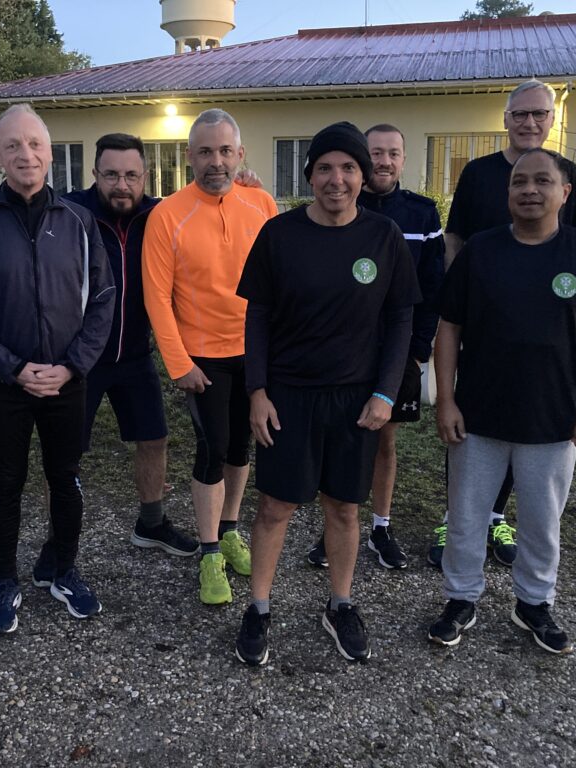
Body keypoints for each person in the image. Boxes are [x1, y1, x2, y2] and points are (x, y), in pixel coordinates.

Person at [427, 148, 576, 654]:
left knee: (542, 521)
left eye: (543, 181)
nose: (529, 190)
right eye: (519, 181)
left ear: (566, 192)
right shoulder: (481, 250)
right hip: (478, 415)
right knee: (467, 516)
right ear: (508, 192)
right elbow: (448, 328)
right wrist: (445, 400)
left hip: (553, 419)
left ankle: (534, 603)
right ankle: (460, 597)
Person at [0, 133, 199, 559]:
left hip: (135, 354)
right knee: (65, 458)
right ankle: (58, 539)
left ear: (145, 176)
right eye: (110, 175)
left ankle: (152, 522)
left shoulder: (160, 215)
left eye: (130, 175)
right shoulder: (70, 212)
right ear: (95, 174)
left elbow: (208, 201)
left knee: (154, 439)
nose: (121, 184)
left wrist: (246, 181)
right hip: (79, 359)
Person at [233, 122, 421, 665]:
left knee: (343, 508)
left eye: (348, 168)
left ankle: (340, 604)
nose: (336, 179)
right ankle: (260, 608)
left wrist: (386, 394)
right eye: (325, 168)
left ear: (363, 176)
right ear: (310, 174)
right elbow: (258, 317)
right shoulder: (279, 234)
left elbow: (400, 320)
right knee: (275, 507)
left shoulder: (383, 237)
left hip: (356, 399)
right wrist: (257, 391)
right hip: (288, 395)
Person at [0, 104, 115, 633]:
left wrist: (71, 367)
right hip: (6, 385)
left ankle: (63, 568)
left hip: (68, 381)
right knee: (7, 483)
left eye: (35, 144)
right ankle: (5, 579)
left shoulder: (79, 220)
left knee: (65, 479)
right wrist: (13, 367)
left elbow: (104, 299)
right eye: (13, 146)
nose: (26, 154)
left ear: (50, 153)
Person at [429, 78, 576, 570]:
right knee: (467, 422)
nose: (529, 122)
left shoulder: (567, 173)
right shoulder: (478, 173)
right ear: (506, 119)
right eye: (520, 114)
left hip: (541, 323)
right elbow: (454, 238)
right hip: (481, 314)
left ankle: (497, 514)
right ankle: (455, 515)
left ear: (552, 120)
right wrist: (456, 300)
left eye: (539, 114)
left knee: (527, 419)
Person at [142, 109, 278, 605]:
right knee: (212, 447)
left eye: (225, 151)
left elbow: (280, 280)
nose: (215, 162)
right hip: (202, 358)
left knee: (242, 447)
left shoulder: (262, 204)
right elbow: (156, 296)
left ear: (240, 154)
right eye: (205, 152)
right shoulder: (168, 214)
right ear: (188, 157)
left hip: (256, 354)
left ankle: (230, 528)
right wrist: (179, 364)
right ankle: (208, 552)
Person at [305, 123, 444, 571]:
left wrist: (417, 353)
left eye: (393, 154)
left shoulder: (422, 214)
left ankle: (380, 526)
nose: (384, 161)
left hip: (396, 353)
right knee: (335, 440)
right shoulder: (340, 202)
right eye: (376, 153)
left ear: (404, 160)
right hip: (341, 354)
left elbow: (432, 289)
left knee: (383, 441)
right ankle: (334, 528)